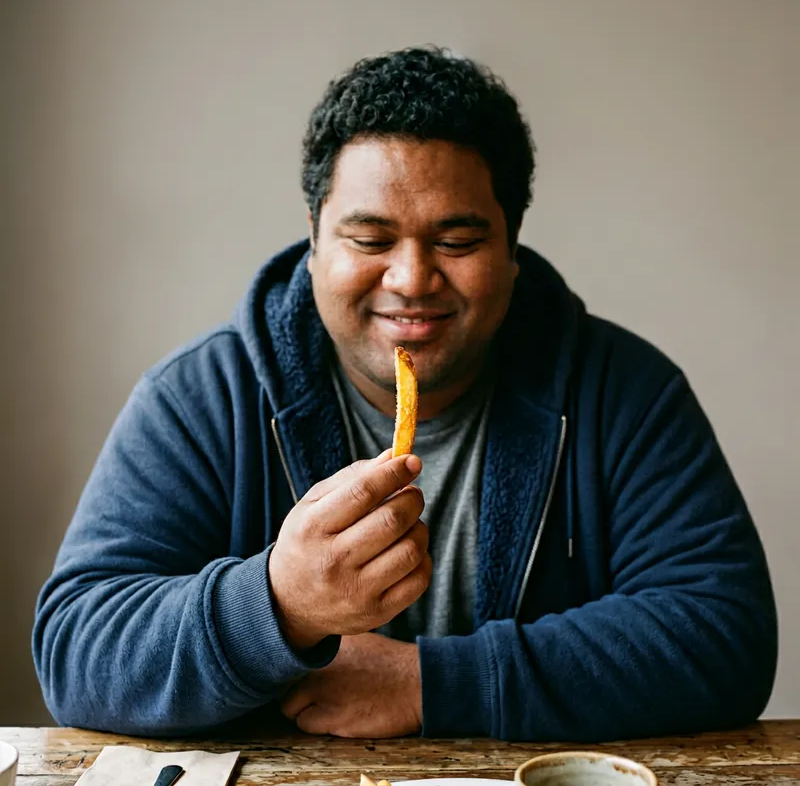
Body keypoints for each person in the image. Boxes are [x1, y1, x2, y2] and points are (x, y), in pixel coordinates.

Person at [33, 46, 777, 741]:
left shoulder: (623, 391)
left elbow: (724, 634)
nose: (412, 279)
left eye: (456, 242)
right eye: (369, 239)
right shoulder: (203, 396)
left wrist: (431, 683)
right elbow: (75, 649)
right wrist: (280, 604)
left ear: (512, 250)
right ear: (315, 239)